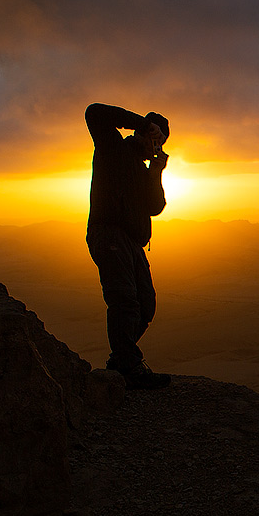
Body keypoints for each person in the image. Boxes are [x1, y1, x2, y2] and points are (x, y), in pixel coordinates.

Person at [85, 102, 171, 389]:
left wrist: (156, 171)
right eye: (154, 137)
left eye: (160, 141)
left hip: (132, 242)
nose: (155, 145)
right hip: (109, 234)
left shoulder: (142, 167)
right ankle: (128, 365)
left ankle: (121, 360)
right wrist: (142, 123)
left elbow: (155, 207)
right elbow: (94, 112)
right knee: (124, 300)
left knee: (145, 305)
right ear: (143, 133)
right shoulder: (113, 147)